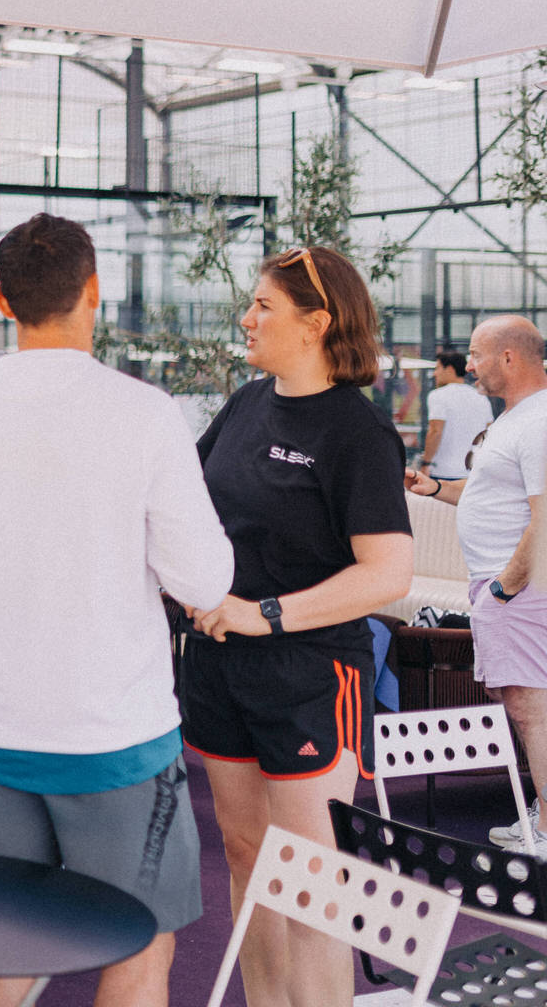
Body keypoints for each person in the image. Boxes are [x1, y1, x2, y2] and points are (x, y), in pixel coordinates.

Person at [0, 214, 235, 1007]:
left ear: (5, 304)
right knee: (139, 945)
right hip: (115, 732)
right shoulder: (144, 413)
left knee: (7, 941)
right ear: (93, 291)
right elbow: (204, 580)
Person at [181, 244, 413, 1007]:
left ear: (316, 322)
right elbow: (187, 504)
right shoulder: (248, 404)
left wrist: (263, 615)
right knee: (248, 858)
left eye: (263, 306)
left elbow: (386, 575)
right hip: (220, 668)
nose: (246, 318)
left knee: (311, 878)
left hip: (312, 675)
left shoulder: (357, 431)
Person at [406, 316, 547, 861]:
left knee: (530, 707)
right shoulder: (517, 419)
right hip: (504, 586)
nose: (467, 365)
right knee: (516, 699)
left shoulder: (544, 421)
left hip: (518, 587)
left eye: (475, 355)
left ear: (508, 357)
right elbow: (487, 495)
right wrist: (432, 486)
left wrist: (502, 589)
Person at [419, 348, 492, 481]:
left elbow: (435, 431)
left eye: (438, 368)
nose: (435, 374)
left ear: (450, 369)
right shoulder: (481, 397)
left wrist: (426, 463)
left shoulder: (438, 396)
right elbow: (488, 433)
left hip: (443, 473)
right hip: (473, 472)